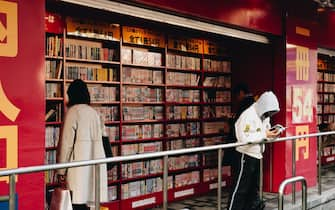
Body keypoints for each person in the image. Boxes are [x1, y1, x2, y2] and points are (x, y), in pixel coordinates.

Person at [57, 79, 108, 210]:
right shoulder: (94, 113)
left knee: (75, 202)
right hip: (94, 166)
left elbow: (66, 144)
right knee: (89, 202)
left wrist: (61, 171)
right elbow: (104, 138)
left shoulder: (73, 112)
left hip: (77, 168)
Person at [228, 91, 282, 210]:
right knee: (240, 188)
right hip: (245, 154)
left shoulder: (264, 116)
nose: (269, 115)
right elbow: (244, 137)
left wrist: (272, 135)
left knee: (253, 188)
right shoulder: (248, 115)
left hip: (257, 154)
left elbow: (263, 134)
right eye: (268, 111)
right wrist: (264, 134)